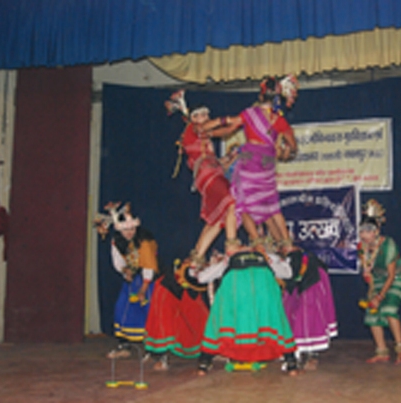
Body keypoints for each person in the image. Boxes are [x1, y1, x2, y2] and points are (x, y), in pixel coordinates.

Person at [203, 76, 299, 255]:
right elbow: (293, 147)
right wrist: (286, 151)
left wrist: (209, 132)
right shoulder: (279, 121)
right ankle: (287, 244)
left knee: (243, 204)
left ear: (261, 96)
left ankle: (256, 242)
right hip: (267, 163)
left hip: (250, 161)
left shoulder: (250, 113)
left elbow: (230, 127)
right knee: (272, 205)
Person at [194, 245, 298, 376]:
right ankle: (291, 361)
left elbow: (202, 278)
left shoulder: (236, 257)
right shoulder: (256, 256)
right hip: (256, 289)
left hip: (245, 289)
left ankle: (204, 361)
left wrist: (268, 257)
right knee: (275, 318)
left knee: (220, 317)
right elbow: (287, 273)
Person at [165, 91, 240, 268]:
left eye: (207, 114)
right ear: (193, 117)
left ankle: (196, 258)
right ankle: (232, 246)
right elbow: (212, 126)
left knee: (217, 219)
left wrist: (239, 124)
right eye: (202, 114)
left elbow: (226, 131)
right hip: (208, 176)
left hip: (212, 174)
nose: (206, 117)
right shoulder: (192, 129)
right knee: (232, 201)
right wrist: (231, 119)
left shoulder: (204, 134)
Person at [357, 199, 401, 365]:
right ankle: (381, 352)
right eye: (362, 231)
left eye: (368, 231)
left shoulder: (388, 244)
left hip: (396, 278)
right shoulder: (362, 248)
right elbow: (368, 272)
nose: (364, 235)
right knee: (372, 313)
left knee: (388, 309)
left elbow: (391, 275)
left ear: (376, 231)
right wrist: (371, 288)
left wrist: (379, 297)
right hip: (378, 280)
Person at [94, 202, 158, 359]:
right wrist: (125, 270)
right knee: (122, 308)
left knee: (148, 312)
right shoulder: (117, 241)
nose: (129, 233)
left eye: (132, 229)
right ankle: (124, 346)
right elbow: (118, 262)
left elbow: (149, 266)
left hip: (148, 279)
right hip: (132, 279)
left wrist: (143, 289)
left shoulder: (144, 241)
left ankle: (154, 350)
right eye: (125, 230)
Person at [143, 258, 209, 370]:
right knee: (163, 318)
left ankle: (210, 352)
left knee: (199, 315)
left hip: (190, 280)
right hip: (169, 280)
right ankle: (160, 356)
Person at [282, 247, 338, 370]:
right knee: (291, 315)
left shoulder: (314, 270)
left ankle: (312, 355)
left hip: (311, 287)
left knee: (310, 318)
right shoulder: (288, 262)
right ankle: (293, 355)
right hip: (296, 285)